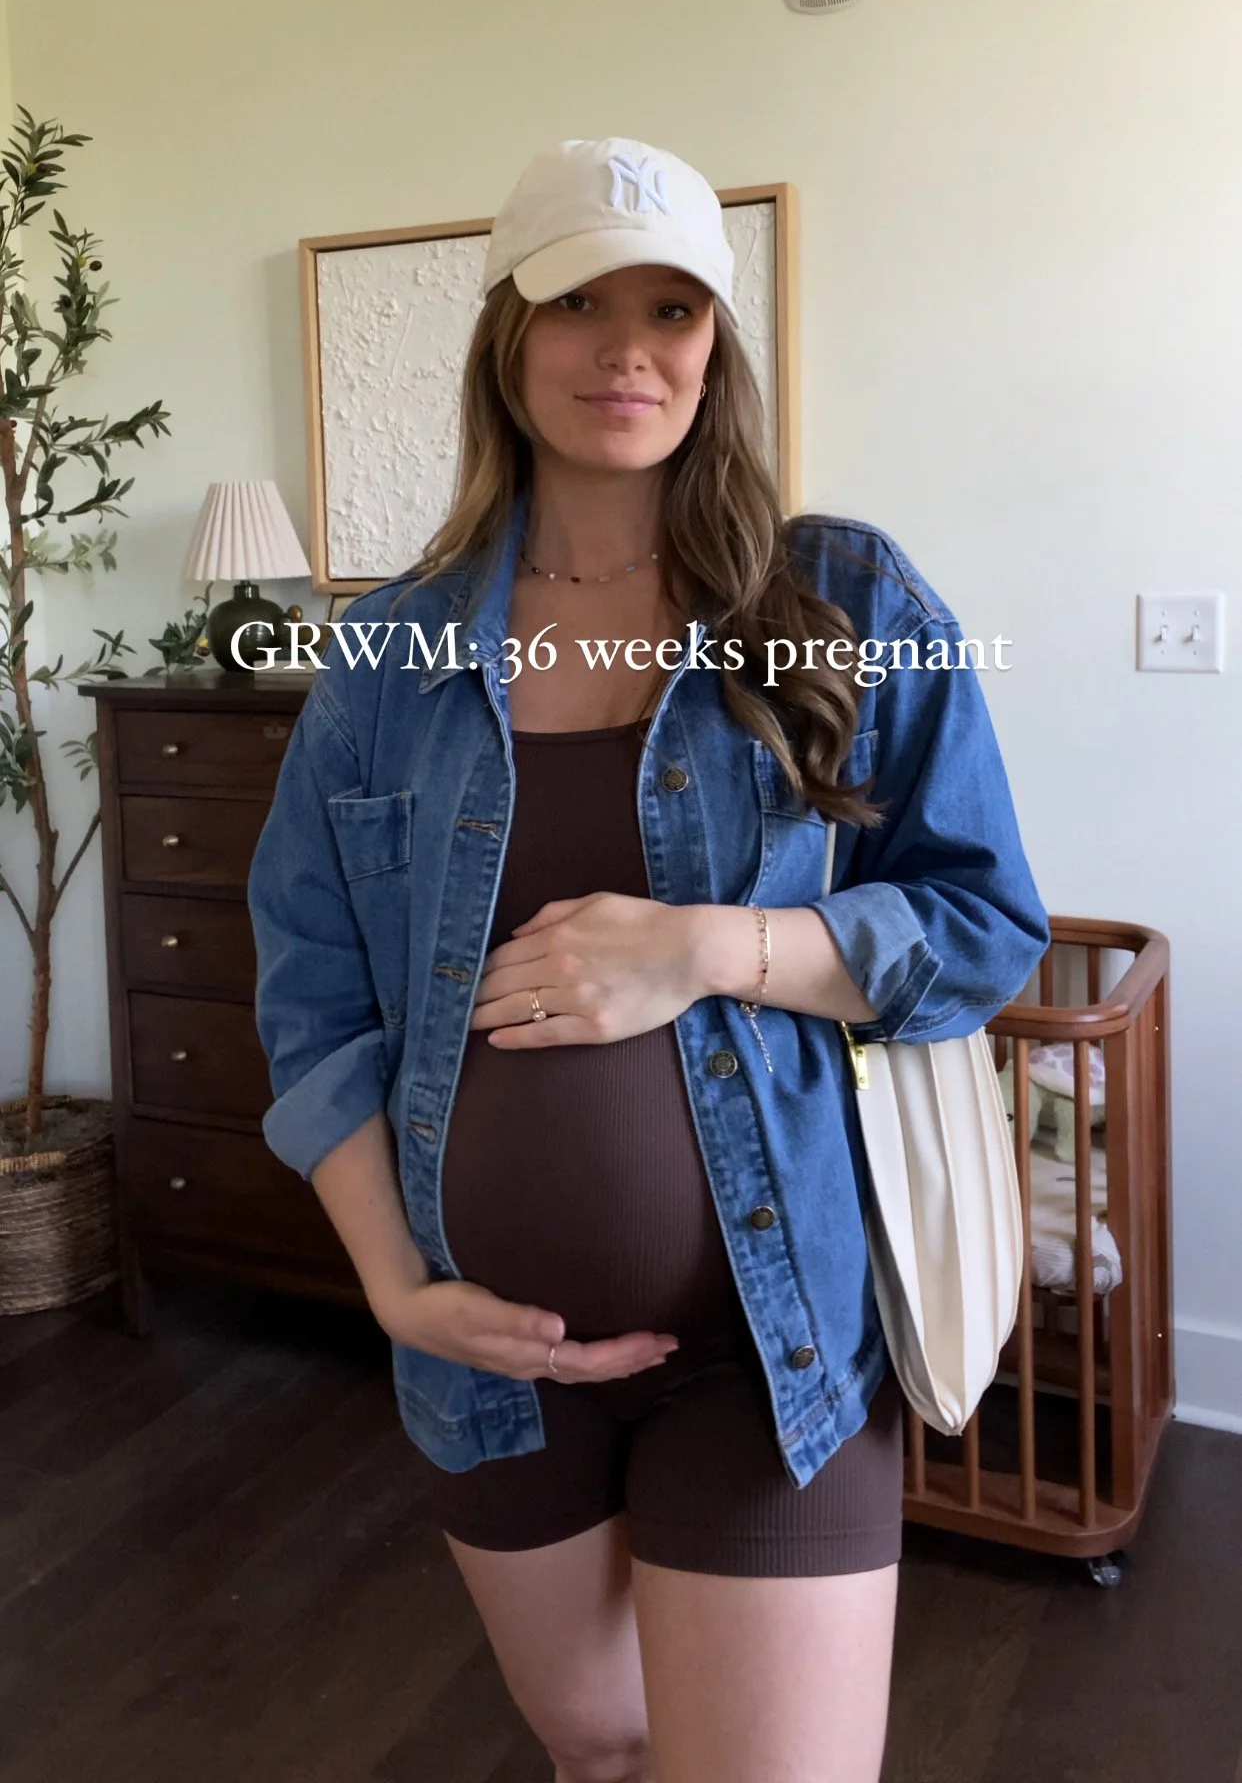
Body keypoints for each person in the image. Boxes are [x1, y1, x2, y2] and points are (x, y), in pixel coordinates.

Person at [248, 135, 1050, 1783]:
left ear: (715, 345)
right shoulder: (386, 658)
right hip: (484, 1369)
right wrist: (401, 1293)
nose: (627, 348)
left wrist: (710, 947)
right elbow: (314, 1003)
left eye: (672, 307)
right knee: (599, 1755)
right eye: (578, 303)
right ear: (505, 340)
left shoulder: (841, 596)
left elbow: (981, 928)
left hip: (773, 1355)